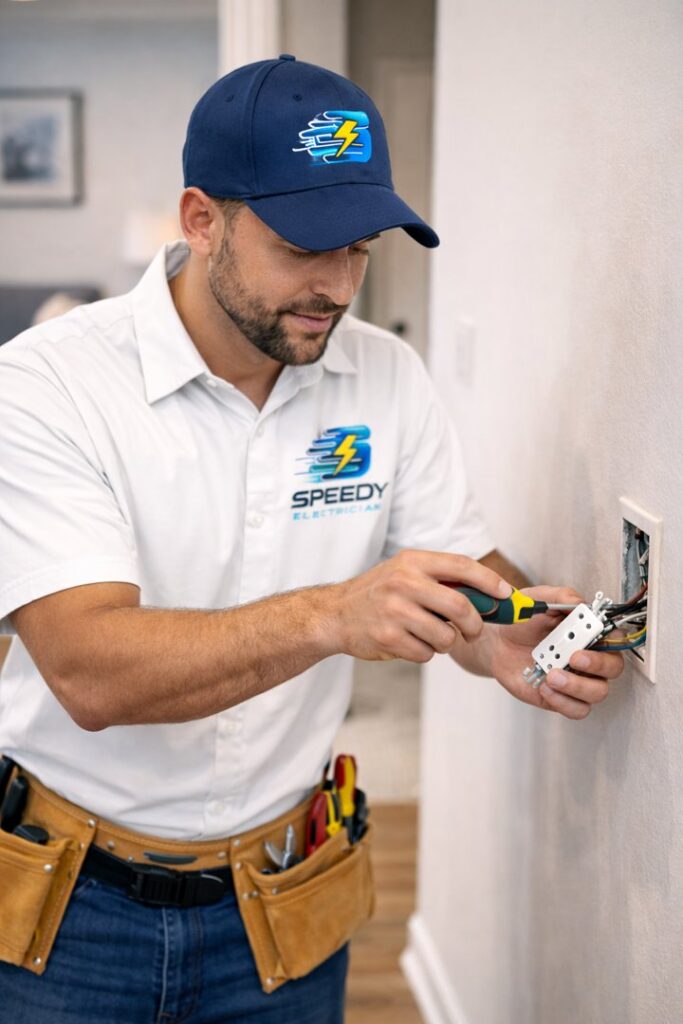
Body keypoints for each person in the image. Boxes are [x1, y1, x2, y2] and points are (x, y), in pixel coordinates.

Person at [0, 55, 624, 1023]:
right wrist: (336, 614)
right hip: (67, 908)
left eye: (359, 248)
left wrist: (500, 629)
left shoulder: (386, 377)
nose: (336, 284)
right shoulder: (48, 385)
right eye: (303, 246)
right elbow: (89, 674)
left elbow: (456, 558)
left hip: (287, 899)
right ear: (201, 219)